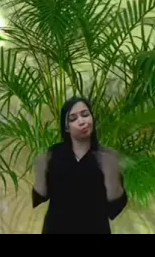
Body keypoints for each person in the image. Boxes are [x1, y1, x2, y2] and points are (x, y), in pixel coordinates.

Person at [32, 96, 128, 234]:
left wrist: (111, 177)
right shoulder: (54, 154)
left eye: (85, 115)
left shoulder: (106, 156)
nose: (82, 121)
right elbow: (40, 197)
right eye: (73, 118)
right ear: (66, 127)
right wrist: (40, 172)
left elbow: (114, 208)